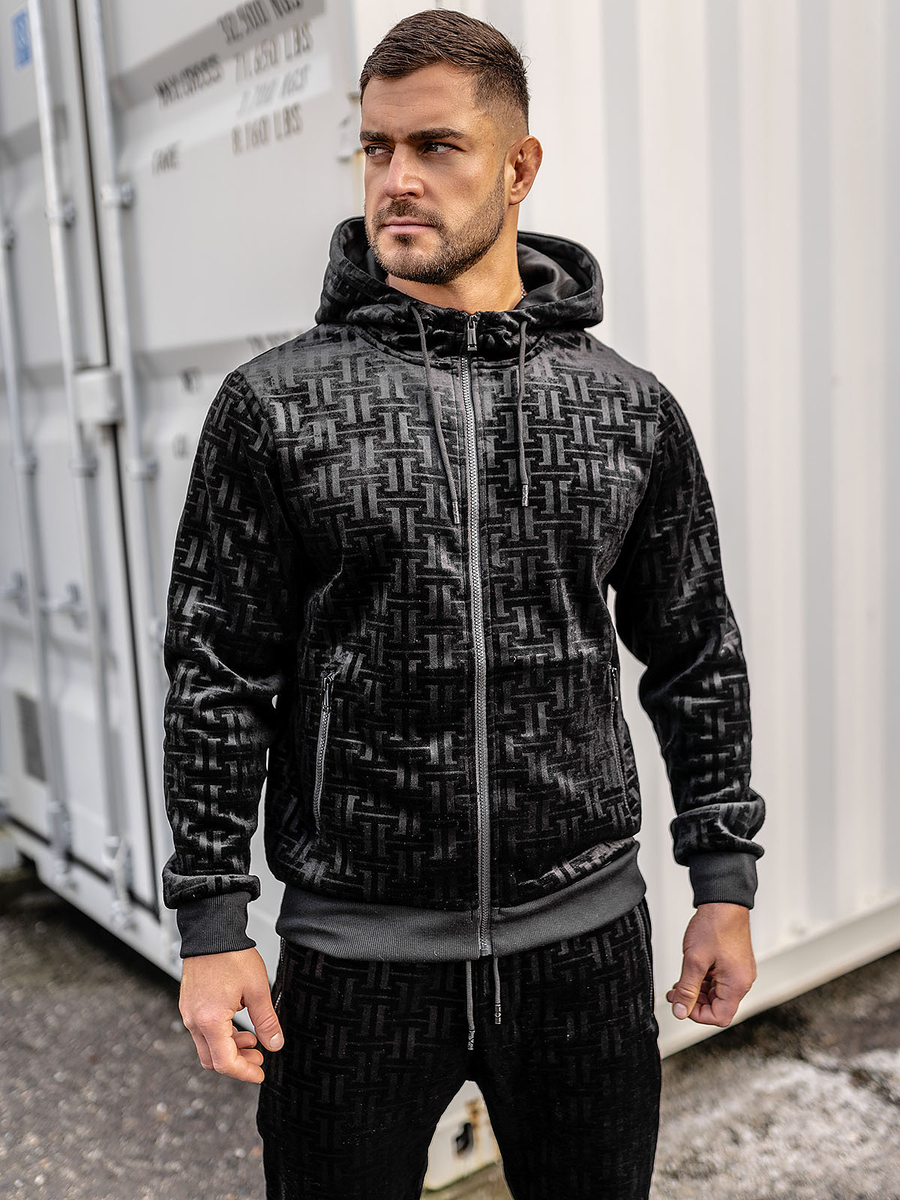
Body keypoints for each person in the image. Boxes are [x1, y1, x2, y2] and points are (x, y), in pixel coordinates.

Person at [161, 10, 765, 1199]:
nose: (398, 178)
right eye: (377, 148)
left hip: (584, 949)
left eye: (436, 146)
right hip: (355, 961)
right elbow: (218, 673)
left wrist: (724, 883)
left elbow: (696, 650)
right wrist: (213, 924)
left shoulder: (627, 409)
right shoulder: (276, 406)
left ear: (519, 166)